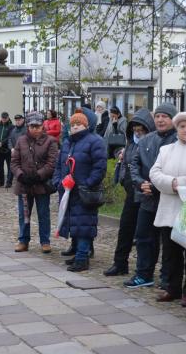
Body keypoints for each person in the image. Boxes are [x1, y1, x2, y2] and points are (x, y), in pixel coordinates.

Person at [151, 112, 186, 307]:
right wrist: (171, 184)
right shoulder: (166, 150)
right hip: (168, 208)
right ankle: (172, 288)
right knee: (170, 253)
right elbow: (154, 173)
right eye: (182, 126)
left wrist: (176, 184)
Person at [124, 103, 178, 288]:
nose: (161, 120)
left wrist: (156, 185)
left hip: (168, 198)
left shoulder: (178, 140)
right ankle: (144, 273)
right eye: (158, 116)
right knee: (144, 236)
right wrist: (140, 183)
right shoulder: (147, 140)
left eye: (165, 116)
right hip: (147, 197)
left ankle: (168, 277)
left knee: (169, 242)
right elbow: (134, 164)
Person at [53, 110, 107, 271]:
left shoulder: (94, 141)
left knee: (84, 225)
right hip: (68, 191)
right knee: (73, 223)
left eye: (79, 124)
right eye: (73, 124)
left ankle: (83, 258)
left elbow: (99, 166)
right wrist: (58, 182)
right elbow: (59, 164)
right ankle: (77, 253)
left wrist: (87, 184)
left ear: (86, 125)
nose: (75, 127)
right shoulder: (68, 142)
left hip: (84, 192)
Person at [103, 108, 155, 276]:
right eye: (135, 130)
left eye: (141, 130)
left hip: (147, 192)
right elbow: (127, 164)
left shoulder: (152, 144)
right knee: (125, 228)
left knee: (144, 234)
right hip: (131, 191)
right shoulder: (131, 144)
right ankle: (120, 263)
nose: (138, 133)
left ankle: (145, 269)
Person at [11, 112, 59, 253]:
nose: (35, 129)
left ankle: (45, 241)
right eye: (32, 126)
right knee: (24, 214)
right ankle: (23, 240)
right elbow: (14, 162)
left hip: (41, 184)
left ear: (42, 126)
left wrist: (38, 175)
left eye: (37, 126)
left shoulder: (50, 141)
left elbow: (51, 163)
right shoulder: (21, 140)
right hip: (24, 184)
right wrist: (20, 175)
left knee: (43, 213)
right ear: (28, 126)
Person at [0, 112, 14, 188]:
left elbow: (10, 137)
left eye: (5, 118)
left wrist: (2, 143)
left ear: (8, 118)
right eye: (3, 118)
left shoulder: (11, 127)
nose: (4, 119)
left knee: (9, 167)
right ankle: (0, 182)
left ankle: (9, 182)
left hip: (8, 150)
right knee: (0, 167)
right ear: (1, 118)